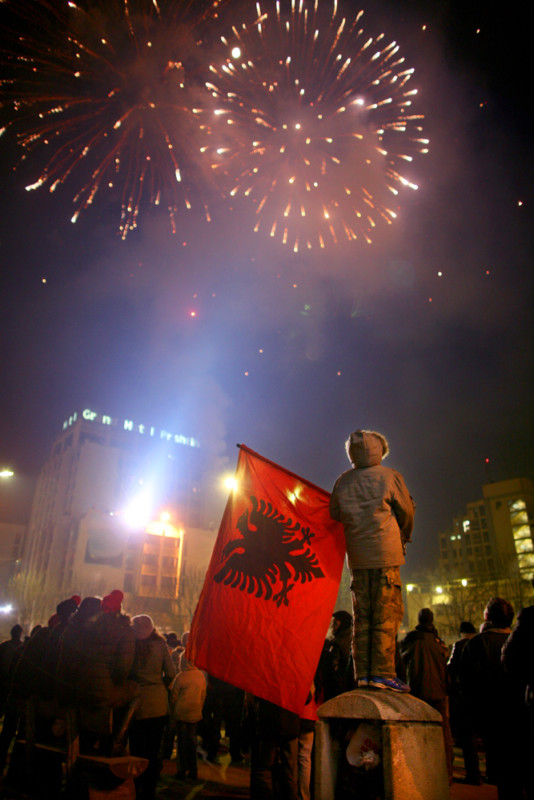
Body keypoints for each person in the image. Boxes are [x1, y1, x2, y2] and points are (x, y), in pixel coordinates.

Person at [330, 429, 414, 692]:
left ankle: (363, 674)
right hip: (386, 557)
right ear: (380, 450)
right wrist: (404, 537)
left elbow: (334, 513)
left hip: (357, 560)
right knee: (386, 616)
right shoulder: (390, 477)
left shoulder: (342, 482)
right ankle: (383, 673)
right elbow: (407, 512)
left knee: (362, 618)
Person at [460, 596, 517, 796]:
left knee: (506, 781)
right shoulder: (517, 639)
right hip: (518, 715)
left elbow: (467, 685)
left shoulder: (477, 645)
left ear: (487, 616)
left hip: (493, 719)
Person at [400, 608, 453, 782]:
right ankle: (447, 772)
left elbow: (401, 661)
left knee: (418, 733)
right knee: (443, 732)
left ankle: (421, 771)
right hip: (439, 692)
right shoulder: (440, 642)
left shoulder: (412, 639)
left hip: (418, 691)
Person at [128, 614, 175, 800]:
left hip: (136, 704)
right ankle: (149, 791)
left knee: (136, 750)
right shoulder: (161, 645)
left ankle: (135, 787)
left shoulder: (130, 646)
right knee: (153, 752)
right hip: (158, 704)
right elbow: (171, 673)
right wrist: (159, 684)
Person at [447, 621, 481, 785]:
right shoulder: (482, 642)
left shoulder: (459, 646)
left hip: (465, 696)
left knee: (469, 739)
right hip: (483, 694)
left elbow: (451, 670)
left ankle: (473, 774)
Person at [169, 651, 206, 781]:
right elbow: (203, 695)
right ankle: (194, 769)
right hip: (195, 713)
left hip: (181, 713)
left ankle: (182, 769)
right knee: (192, 741)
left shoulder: (180, 677)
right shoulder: (200, 676)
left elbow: (173, 697)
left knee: (181, 743)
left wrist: (172, 712)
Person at [327, 610, 354, 695]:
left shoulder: (337, 643)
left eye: (335, 624)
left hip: (339, 689)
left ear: (342, 625)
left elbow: (333, 668)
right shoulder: (354, 639)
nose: (332, 627)